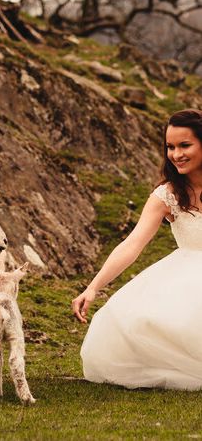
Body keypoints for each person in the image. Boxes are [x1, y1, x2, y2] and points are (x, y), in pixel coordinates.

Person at [72, 108, 202, 390]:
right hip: (185, 276)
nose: (176, 154)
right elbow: (132, 244)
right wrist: (93, 287)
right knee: (133, 323)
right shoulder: (166, 195)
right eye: (170, 147)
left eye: (185, 145)